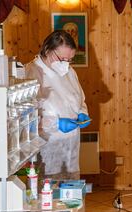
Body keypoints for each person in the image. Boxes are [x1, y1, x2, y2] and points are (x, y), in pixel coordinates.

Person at [25, 30, 91, 179]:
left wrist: (82, 113)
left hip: (71, 146)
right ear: (48, 50)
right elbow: (26, 119)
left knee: (71, 194)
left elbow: (79, 98)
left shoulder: (69, 71)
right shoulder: (31, 73)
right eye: (62, 58)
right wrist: (56, 124)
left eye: (70, 59)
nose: (66, 64)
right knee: (48, 194)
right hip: (47, 147)